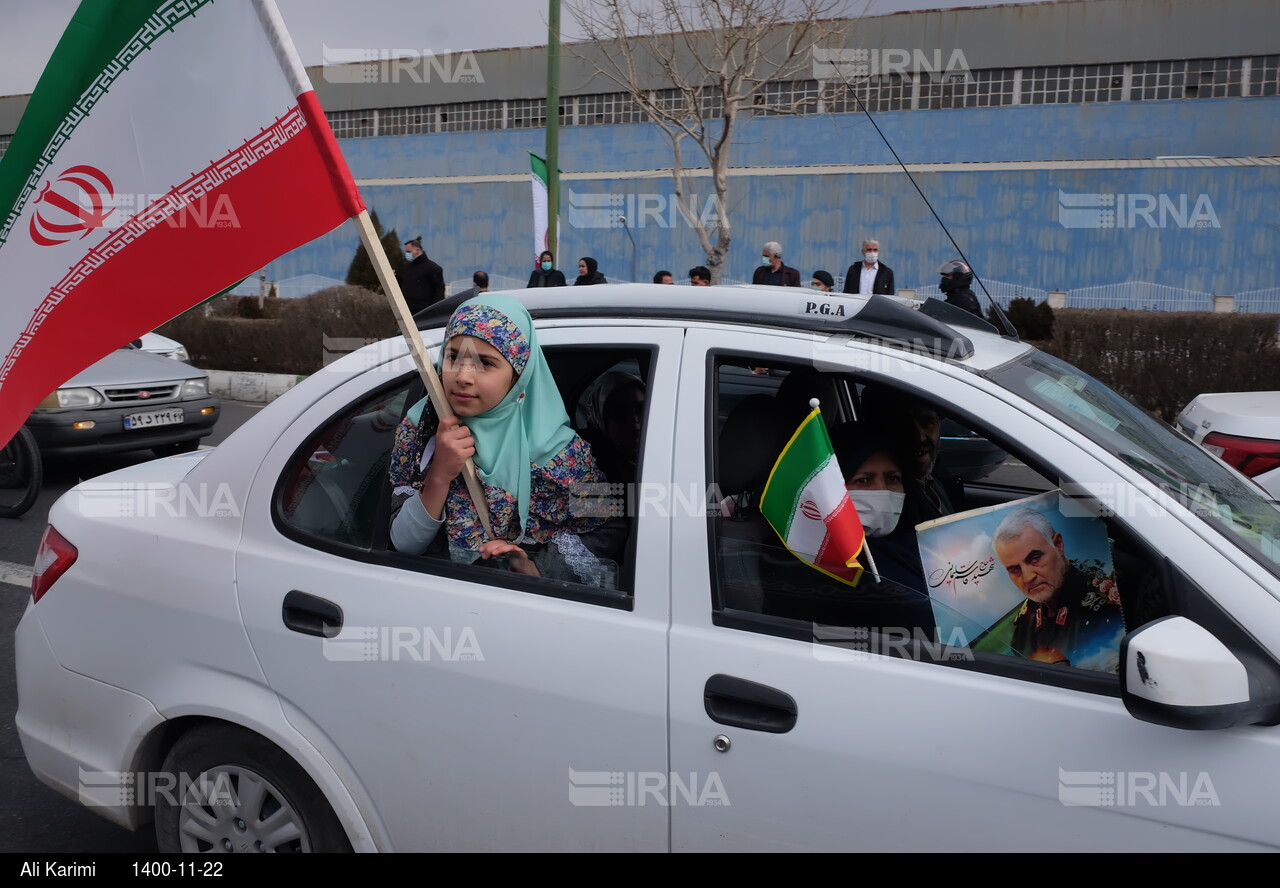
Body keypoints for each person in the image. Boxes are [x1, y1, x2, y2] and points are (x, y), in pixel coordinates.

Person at [388, 294, 615, 585]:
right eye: (453, 356)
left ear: (518, 375)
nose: (463, 376)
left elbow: (610, 529)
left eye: (485, 362)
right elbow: (404, 544)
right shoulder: (422, 432)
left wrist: (537, 567)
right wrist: (439, 476)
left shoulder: (561, 454)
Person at [992, 506, 1125, 668]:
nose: (1028, 577)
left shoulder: (1103, 605)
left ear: (1058, 545)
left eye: (1035, 558)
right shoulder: (1025, 622)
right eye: (1015, 570)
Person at [831, 422, 929, 600]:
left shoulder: (921, 542)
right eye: (863, 481)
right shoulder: (822, 564)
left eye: (892, 478)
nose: (882, 491)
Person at [858, 386, 956, 523]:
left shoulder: (935, 477)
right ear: (879, 431)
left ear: (939, 425)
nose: (918, 437)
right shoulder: (891, 507)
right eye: (902, 425)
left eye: (926, 422)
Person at [580, 370, 645, 485]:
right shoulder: (586, 467)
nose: (635, 422)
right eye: (621, 413)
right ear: (600, 418)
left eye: (640, 409)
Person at [397, 236, 445, 315]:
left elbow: (439, 293)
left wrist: (436, 313)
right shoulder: (406, 269)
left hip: (424, 314)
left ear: (417, 250)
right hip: (407, 312)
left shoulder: (433, 269)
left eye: (408, 252)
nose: (406, 254)